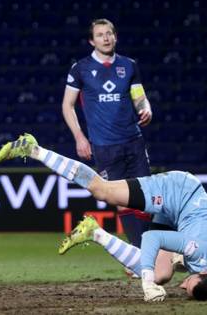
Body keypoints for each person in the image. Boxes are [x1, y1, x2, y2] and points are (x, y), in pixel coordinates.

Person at [0, 133, 207, 301]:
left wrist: (170, 272)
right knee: (103, 190)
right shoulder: (197, 252)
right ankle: (34, 149)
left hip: (186, 215)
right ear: (205, 272)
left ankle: (94, 232)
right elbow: (153, 237)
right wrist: (146, 282)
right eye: (191, 282)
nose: (184, 285)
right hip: (179, 191)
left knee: (162, 274)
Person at [61, 18, 154, 249]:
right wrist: (79, 137)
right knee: (121, 200)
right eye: (100, 34)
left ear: (115, 36)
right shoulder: (80, 69)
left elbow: (138, 95)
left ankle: (146, 251)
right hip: (105, 146)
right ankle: (137, 251)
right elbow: (67, 105)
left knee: (146, 198)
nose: (106, 38)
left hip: (133, 141)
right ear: (92, 40)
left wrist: (146, 108)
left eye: (109, 33)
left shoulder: (129, 65)